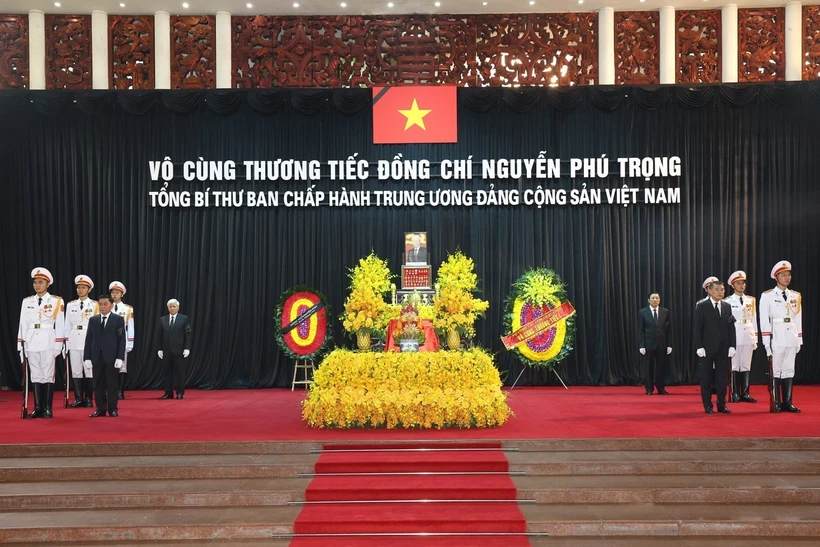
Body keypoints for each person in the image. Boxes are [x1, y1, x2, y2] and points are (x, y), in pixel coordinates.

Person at [17, 267, 66, 419]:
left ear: (47, 284)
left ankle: (47, 408)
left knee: (47, 375)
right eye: (35, 282)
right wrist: (21, 344)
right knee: (35, 376)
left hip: (48, 341)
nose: (37, 285)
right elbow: (22, 323)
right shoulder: (27, 302)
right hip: (31, 341)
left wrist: (58, 345)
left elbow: (60, 325)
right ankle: (37, 407)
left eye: (41, 282)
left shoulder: (56, 301)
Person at [759, 260, 802, 413]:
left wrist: (799, 339)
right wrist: (766, 342)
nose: (786, 278)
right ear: (776, 277)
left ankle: (787, 402)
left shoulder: (795, 295)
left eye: (788, 275)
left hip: (791, 336)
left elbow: (798, 318)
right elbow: (764, 320)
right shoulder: (768, 296)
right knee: (776, 370)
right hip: (776, 336)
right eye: (783, 275)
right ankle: (776, 401)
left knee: (789, 369)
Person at [694, 280, 736, 414]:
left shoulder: (727, 306)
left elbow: (731, 327)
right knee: (706, 377)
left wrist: (732, 345)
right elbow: (697, 328)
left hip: (723, 348)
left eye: (722, 290)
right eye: (717, 289)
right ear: (709, 291)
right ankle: (707, 405)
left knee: (722, 378)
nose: (720, 292)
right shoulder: (702, 306)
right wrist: (699, 346)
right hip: (707, 348)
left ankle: (721, 404)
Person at [83, 294, 125, 417]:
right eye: (100, 304)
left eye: (105, 304)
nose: (102, 306)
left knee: (112, 384)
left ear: (111, 305)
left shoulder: (118, 319)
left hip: (112, 357)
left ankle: (112, 408)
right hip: (97, 357)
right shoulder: (93, 320)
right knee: (97, 384)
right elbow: (89, 339)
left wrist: (120, 357)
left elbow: (121, 339)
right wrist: (87, 357)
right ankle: (100, 409)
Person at [64, 275, 98, 408]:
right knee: (76, 370)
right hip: (74, 339)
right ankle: (78, 398)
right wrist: (66, 343)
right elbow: (67, 325)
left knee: (88, 369)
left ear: (89, 289)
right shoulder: (71, 305)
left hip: (88, 339)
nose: (80, 290)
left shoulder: (95, 305)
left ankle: (88, 398)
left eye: (83, 287)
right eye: (78, 287)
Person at [725, 270, 757, 403]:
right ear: (733, 285)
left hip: (748, 333)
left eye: (743, 283)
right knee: (734, 364)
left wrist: (755, 338)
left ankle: (745, 392)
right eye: (738, 283)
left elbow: (754, 319)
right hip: (735, 333)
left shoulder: (751, 300)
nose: (741, 285)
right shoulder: (727, 301)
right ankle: (734, 393)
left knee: (745, 365)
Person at [155, 299, 192, 400]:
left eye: (174, 306)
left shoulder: (184, 319)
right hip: (166, 350)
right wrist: (159, 349)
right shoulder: (162, 319)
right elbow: (159, 335)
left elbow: (188, 334)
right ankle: (168, 392)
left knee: (180, 372)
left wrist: (187, 348)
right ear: (168, 308)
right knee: (166, 373)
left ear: (178, 308)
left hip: (179, 350)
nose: (172, 308)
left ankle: (180, 392)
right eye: (170, 306)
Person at [637, 292, 672, 395]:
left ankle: (661, 388)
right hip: (648, 344)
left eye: (657, 298)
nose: (655, 300)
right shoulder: (643, 312)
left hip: (662, 344)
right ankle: (649, 388)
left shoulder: (665, 312)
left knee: (661, 367)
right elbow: (640, 330)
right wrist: (641, 345)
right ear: (649, 300)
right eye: (653, 298)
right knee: (649, 368)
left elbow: (668, 330)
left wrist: (669, 344)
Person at [108, 281, 134, 400]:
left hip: (122, 338)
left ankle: (120, 391)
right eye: (113, 292)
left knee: (122, 366)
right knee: (109, 366)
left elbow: (131, 326)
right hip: (109, 339)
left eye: (117, 293)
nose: (114, 295)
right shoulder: (106, 306)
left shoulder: (127, 309)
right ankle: (111, 390)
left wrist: (130, 343)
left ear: (121, 294)